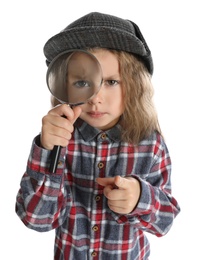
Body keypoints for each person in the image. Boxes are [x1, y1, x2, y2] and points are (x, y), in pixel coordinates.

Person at [15, 12, 180, 260]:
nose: (95, 97)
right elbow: (37, 219)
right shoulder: (59, 140)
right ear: (64, 86)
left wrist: (139, 197)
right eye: (83, 82)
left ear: (135, 85)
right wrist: (47, 150)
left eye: (111, 82)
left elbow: (164, 221)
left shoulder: (151, 144)